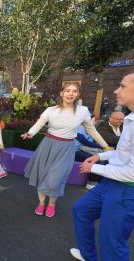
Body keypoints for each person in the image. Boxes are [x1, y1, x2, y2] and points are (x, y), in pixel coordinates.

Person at [71, 67, 134, 261]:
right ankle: (89, 256)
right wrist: (101, 158)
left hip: (130, 189)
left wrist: (93, 169)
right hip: (114, 182)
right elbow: (125, 153)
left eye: (122, 86)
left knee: (112, 239)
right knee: (81, 210)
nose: (116, 91)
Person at [22, 82, 109, 218]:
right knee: (43, 175)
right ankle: (41, 202)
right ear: (62, 93)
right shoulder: (51, 110)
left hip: (66, 148)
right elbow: (40, 123)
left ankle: (51, 204)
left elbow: (90, 129)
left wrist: (105, 145)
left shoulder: (83, 111)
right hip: (48, 145)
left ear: (78, 94)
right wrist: (30, 133)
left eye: (74, 91)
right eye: (68, 90)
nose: (71, 93)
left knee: (56, 178)